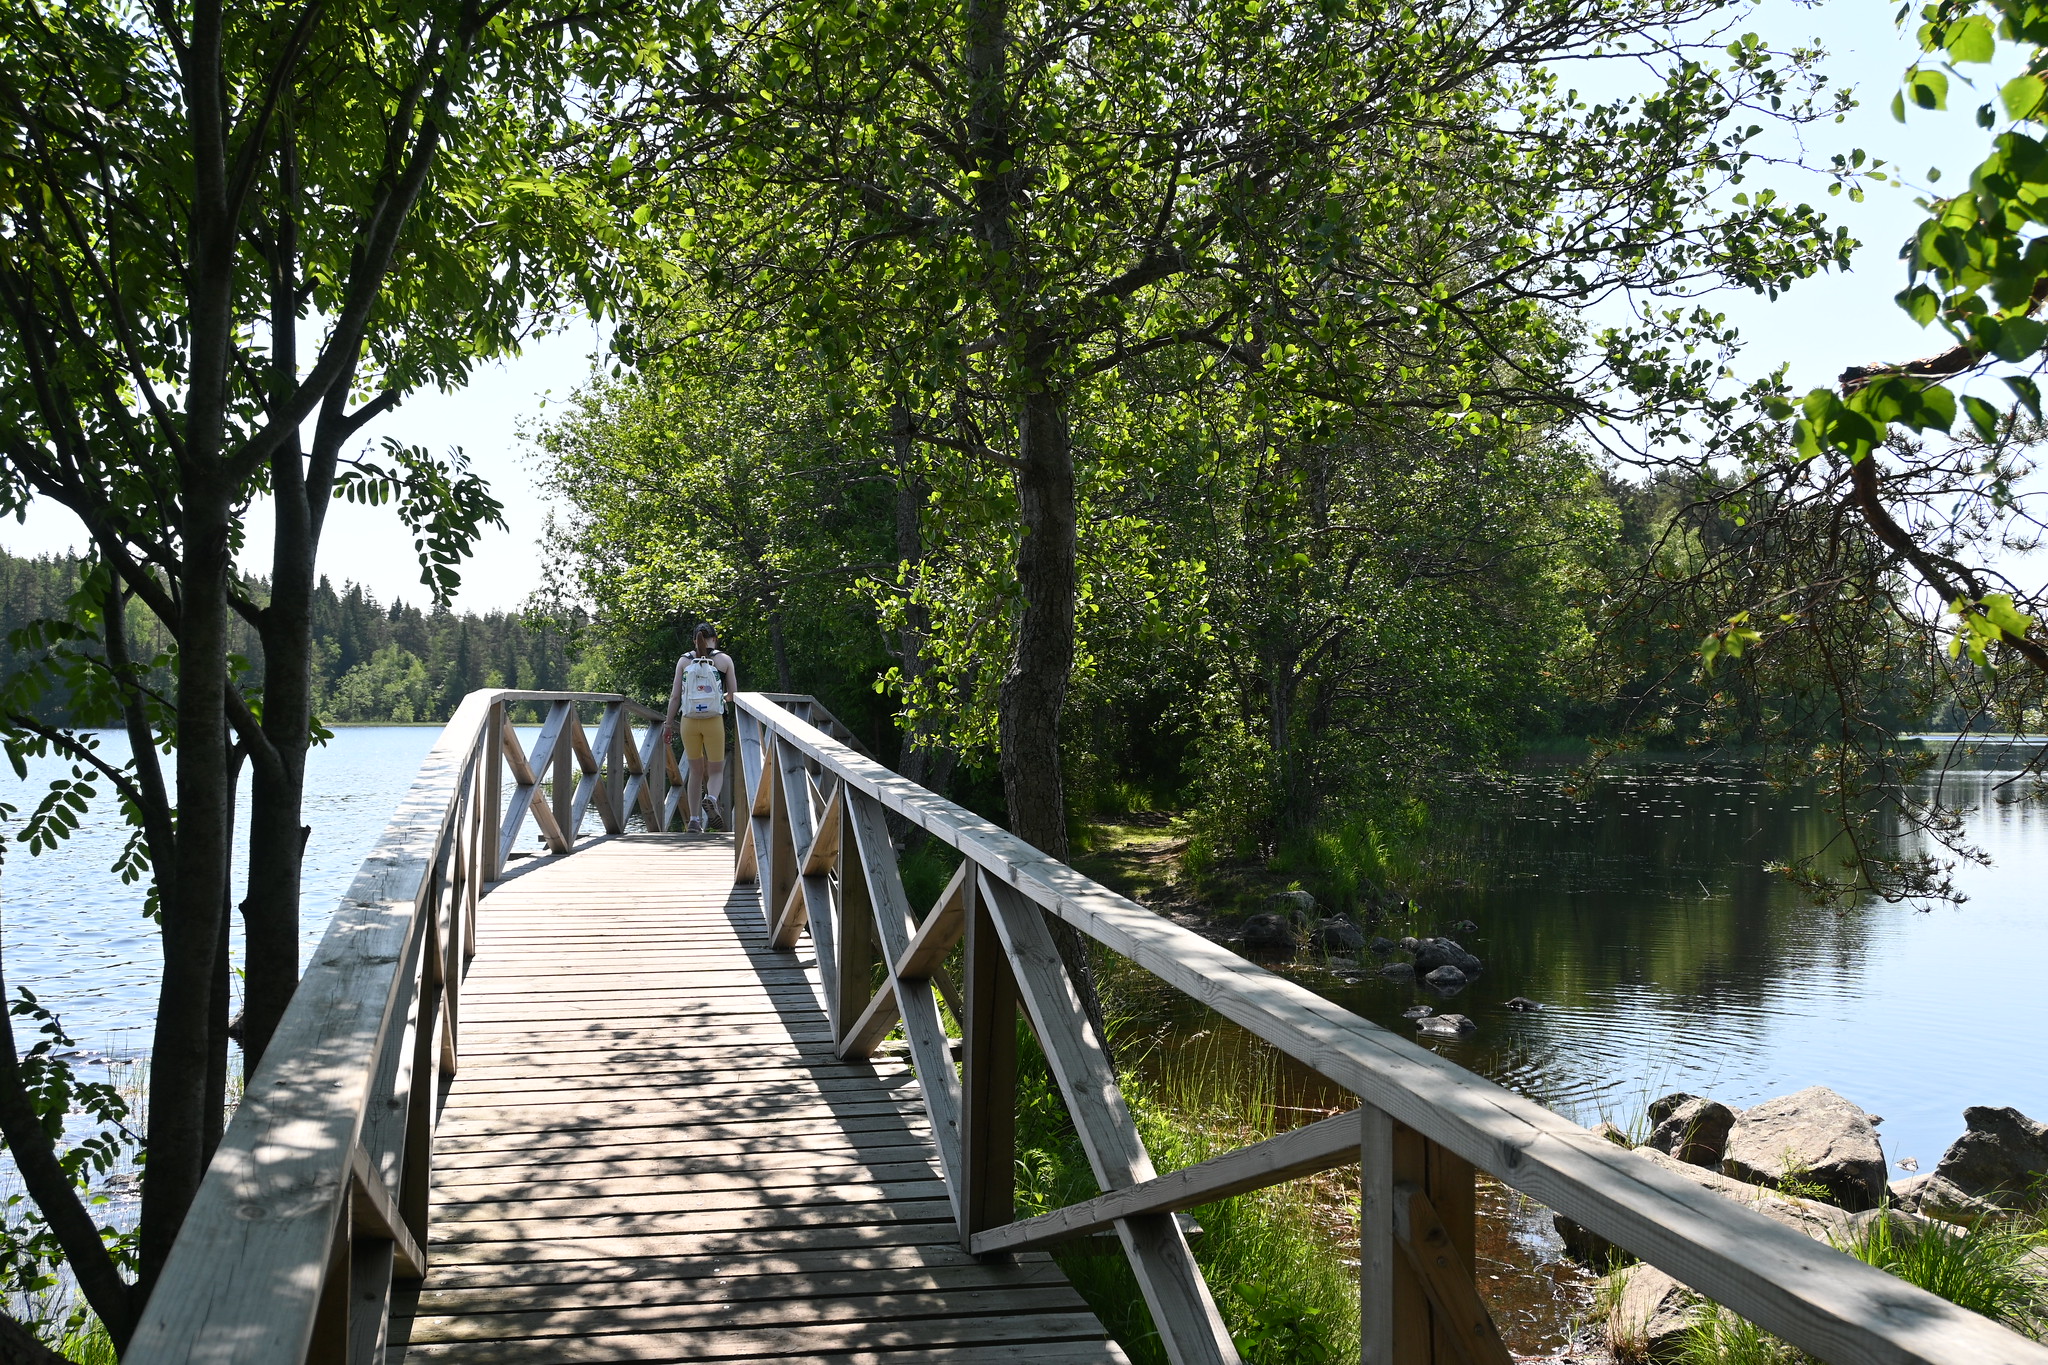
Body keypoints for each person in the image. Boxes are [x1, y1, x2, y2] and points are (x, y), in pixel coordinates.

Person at [662, 622, 739, 833]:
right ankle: (712, 799)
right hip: (714, 720)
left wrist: (668, 725)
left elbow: (675, 696)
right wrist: (720, 697)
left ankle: (694, 821)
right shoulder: (724, 660)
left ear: (694, 639)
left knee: (695, 771)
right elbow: (733, 695)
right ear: (714, 638)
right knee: (716, 770)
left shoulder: (683, 661)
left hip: (689, 721)